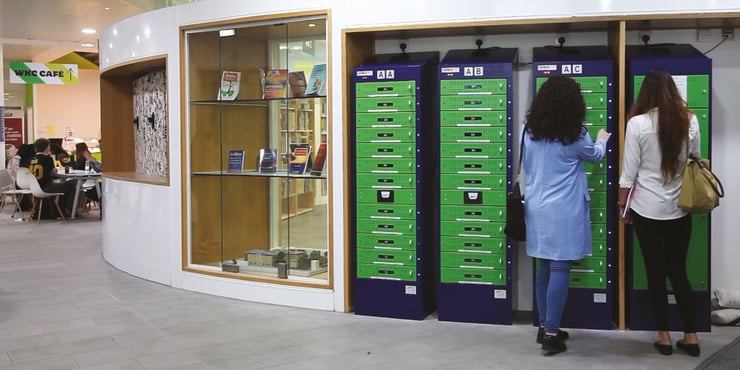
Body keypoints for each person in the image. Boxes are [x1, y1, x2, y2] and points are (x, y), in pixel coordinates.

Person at [523, 75, 611, 355]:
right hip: (561, 209)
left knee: (544, 266)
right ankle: (551, 334)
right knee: (560, 267)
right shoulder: (576, 135)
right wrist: (602, 140)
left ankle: (544, 325)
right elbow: (595, 156)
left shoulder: (529, 130)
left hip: (536, 206)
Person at [618, 68, 701, 357]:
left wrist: (623, 206)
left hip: (646, 210)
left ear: (646, 93)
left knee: (655, 273)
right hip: (680, 208)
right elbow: (695, 159)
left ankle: (664, 337)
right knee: (679, 272)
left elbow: (628, 173)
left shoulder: (637, 124)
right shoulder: (689, 120)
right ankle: (691, 336)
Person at [27, 138, 77, 218]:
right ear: (47, 147)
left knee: (62, 186)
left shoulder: (30, 159)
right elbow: (54, 173)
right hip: (46, 187)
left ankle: (59, 210)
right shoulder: (47, 158)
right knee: (71, 186)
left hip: (34, 188)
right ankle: (68, 211)